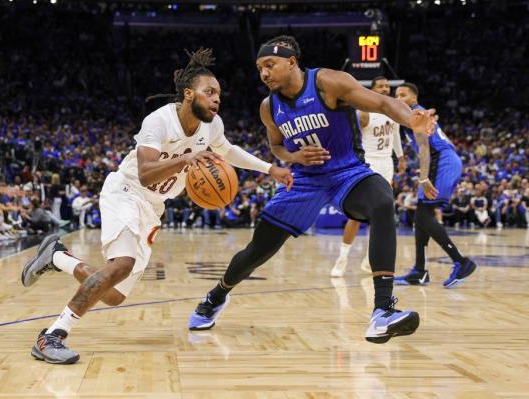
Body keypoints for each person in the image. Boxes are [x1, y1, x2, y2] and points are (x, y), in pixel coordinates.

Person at [20, 48, 292, 364]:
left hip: (153, 208)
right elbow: (147, 173)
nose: (217, 99)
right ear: (189, 94)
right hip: (126, 191)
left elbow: (228, 150)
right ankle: (52, 336)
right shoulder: (159, 121)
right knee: (120, 264)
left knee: (113, 293)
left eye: (219, 93)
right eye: (210, 92)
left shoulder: (212, 125)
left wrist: (270, 169)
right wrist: (187, 159)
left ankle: (57, 256)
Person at [188, 35, 436, 344]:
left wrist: (411, 119)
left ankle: (382, 311)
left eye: (269, 65)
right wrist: (293, 157)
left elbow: (383, 103)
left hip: (347, 172)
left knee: (383, 201)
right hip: (304, 181)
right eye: (259, 68)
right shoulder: (269, 107)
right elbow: (276, 146)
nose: (264, 73)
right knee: (257, 251)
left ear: (291, 62)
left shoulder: (329, 82)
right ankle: (215, 298)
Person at [394, 82, 476, 288]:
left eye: (403, 95)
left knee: (422, 215)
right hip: (438, 162)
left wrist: (423, 178)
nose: (398, 99)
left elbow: (424, 149)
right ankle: (419, 271)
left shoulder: (417, 114)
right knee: (420, 217)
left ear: (414, 98)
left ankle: (461, 261)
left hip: (442, 161)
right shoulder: (410, 115)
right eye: (396, 95)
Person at [330, 76, 405, 277]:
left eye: (387, 86)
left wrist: (401, 156)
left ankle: (368, 260)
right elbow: (348, 136)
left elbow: (396, 134)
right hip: (368, 163)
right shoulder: (364, 113)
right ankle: (342, 258)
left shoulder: (393, 109)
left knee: (382, 215)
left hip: (387, 163)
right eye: (380, 86)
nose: (385, 89)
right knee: (356, 216)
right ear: (371, 90)